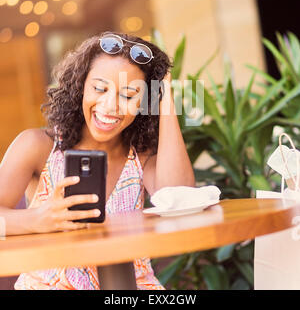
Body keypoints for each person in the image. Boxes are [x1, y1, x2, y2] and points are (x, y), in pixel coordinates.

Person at [0, 31, 195, 290]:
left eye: (128, 95)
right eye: (100, 88)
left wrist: (165, 98)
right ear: (81, 85)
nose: (109, 106)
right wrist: (38, 219)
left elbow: (179, 201)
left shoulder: (141, 156)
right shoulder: (37, 146)